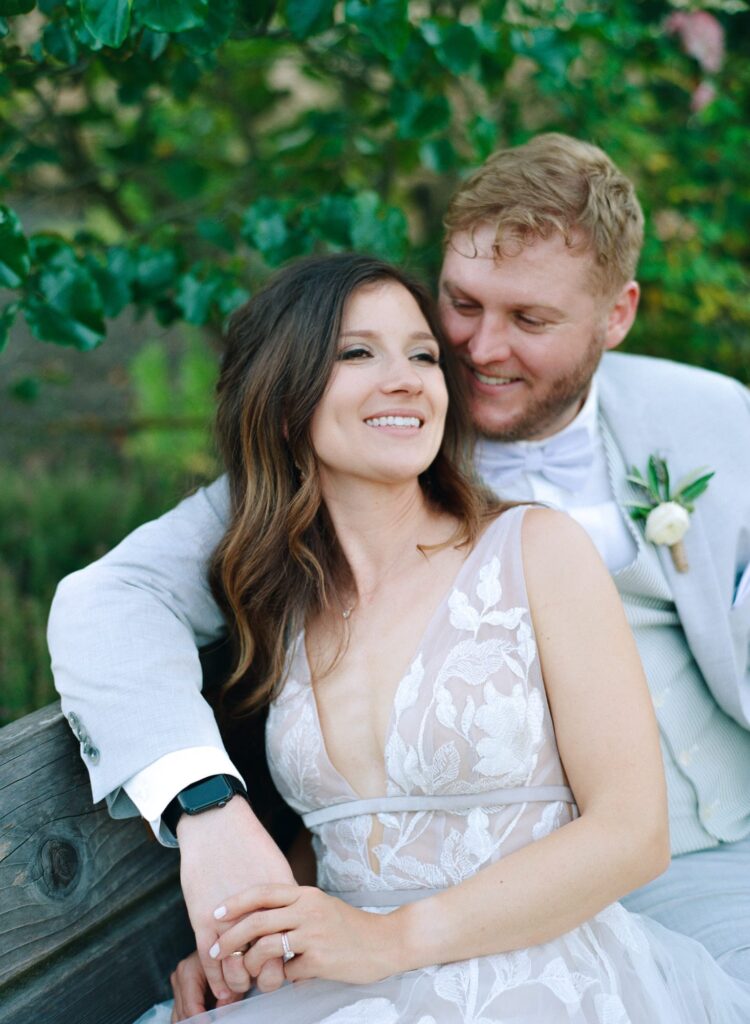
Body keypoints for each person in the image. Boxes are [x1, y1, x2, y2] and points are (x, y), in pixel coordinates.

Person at [48, 135, 750, 1013]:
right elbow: (111, 599)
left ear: (616, 315)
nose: (478, 350)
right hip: (416, 935)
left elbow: (630, 824)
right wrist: (219, 836)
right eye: (459, 306)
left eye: (530, 321)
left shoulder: (712, 422)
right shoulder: (333, 471)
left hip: (713, 857)